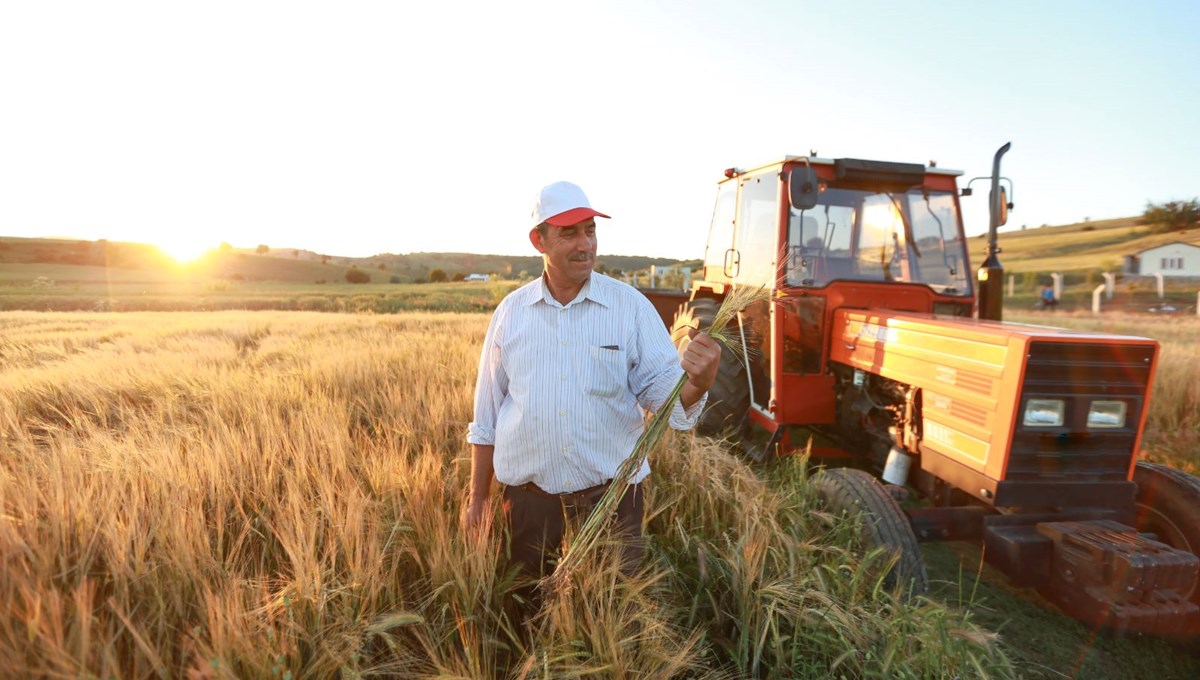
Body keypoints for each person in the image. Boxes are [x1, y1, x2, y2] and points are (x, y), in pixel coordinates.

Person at [463, 180, 722, 592]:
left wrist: (699, 381)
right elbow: (487, 416)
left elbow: (667, 399)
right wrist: (478, 499)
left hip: (613, 504)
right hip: (528, 506)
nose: (585, 244)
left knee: (613, 617)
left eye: (590, 230)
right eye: (569, 233)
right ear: (539, 241)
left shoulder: (631, 308)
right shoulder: (511, 314)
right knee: (527, 614)